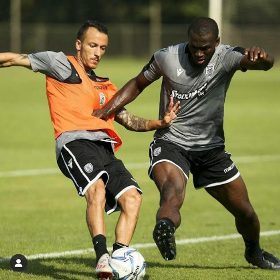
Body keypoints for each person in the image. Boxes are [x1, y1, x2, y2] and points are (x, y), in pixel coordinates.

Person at [92, 17, 280, 270]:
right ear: (188, 41)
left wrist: (264, 57)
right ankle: (165, 229)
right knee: (172, 193)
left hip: (211, 149)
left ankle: (254, 252)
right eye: (194, 47)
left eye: (206, 48)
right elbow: (138, 83)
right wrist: (106, 110)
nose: (199, 53)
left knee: (245, 211)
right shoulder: (166, 57)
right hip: (171, 143)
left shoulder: (227, 56)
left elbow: (265, 65)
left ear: (217, 43)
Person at [0, 20, 180, 279]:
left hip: (105, 149)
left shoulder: (106, 86)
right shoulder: (61, 64)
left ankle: (120, 258)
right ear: (79, 45)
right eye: (92, 45)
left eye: (103, 48)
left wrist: (159, 123)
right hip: (74, 143)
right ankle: (102, 259)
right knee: (96, 189)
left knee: (133, 198)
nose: (97, 52)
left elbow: (129, 121)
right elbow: (14, 59)